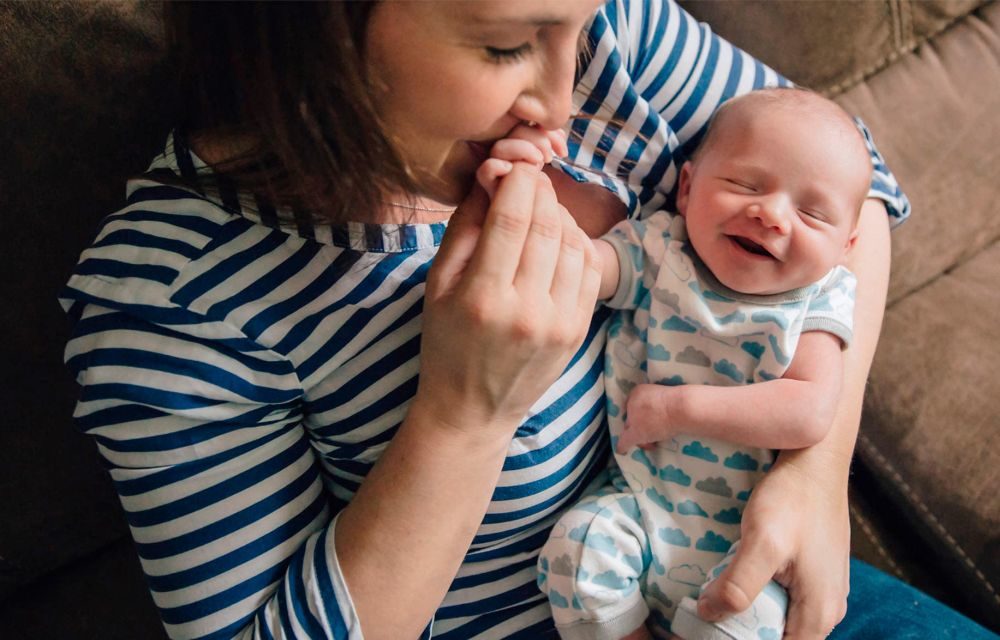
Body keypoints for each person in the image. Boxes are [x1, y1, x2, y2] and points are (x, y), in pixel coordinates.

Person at [56, 1, 993, 639]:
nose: (564, 95)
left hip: (737, 570)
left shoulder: (606, 32)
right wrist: (464, 415)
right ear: (317, 30)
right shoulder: (173, 298)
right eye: (505, 47)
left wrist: (816, 475)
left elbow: (859, 193)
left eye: (577, 31)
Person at [476, 88, 868, 640]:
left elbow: (809, 409)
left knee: (742, 622)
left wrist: (678, 408)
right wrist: (528, 198)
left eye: (811, 212)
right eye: (744, 185)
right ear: (687, 189)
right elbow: (588, 267)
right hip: (637, 504)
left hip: (750, 537)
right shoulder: (663, 250)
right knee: (576, 550)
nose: (771, 214)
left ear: (846, 246)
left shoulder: (814, 301)